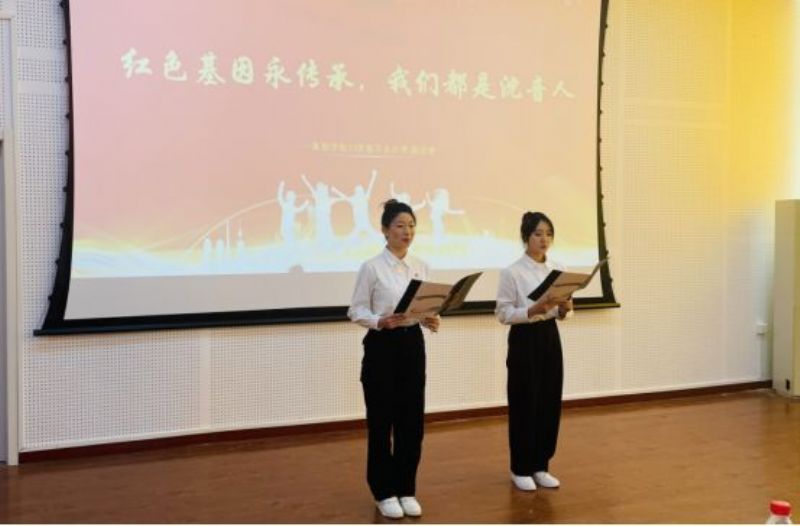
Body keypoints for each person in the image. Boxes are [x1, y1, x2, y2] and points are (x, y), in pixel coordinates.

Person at [348, 199, 440, 519]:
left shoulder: (422, 266)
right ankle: (384, 491)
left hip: (412, 345)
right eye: (400, 226)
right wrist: (379, 321)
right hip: (382, 347)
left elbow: (425, 306)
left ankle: (406, 488)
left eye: (412, 225)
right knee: (381, 421)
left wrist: (431, 318)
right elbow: (356, 310)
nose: (407, 231)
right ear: (385, 230)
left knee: (411, 421)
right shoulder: (372, 267)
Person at [495, 211, 573, 492]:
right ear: (526, 237)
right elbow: (503, 313)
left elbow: (564, 312)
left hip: (550, 336)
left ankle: (541, 465)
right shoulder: (512, 272)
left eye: (549, 234)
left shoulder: (558, 268)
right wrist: (532, 310)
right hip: (524, 338)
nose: (544, 239)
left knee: (549, 400)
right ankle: (520, 467)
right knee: (525, 402)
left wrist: (565, 309)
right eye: (538, 234)